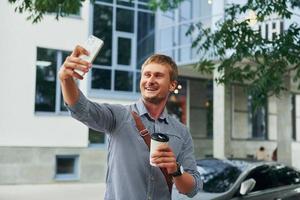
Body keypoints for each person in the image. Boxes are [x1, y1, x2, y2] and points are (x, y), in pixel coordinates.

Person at [59, 45, 201, 200]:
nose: (150, 80)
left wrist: (175, 170)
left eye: (158, 75)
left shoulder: (181, 131)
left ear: (172, 85)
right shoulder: (119, 116)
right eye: (146, 75)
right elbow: (81, 109)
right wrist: (66, 80)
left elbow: (192, 189)